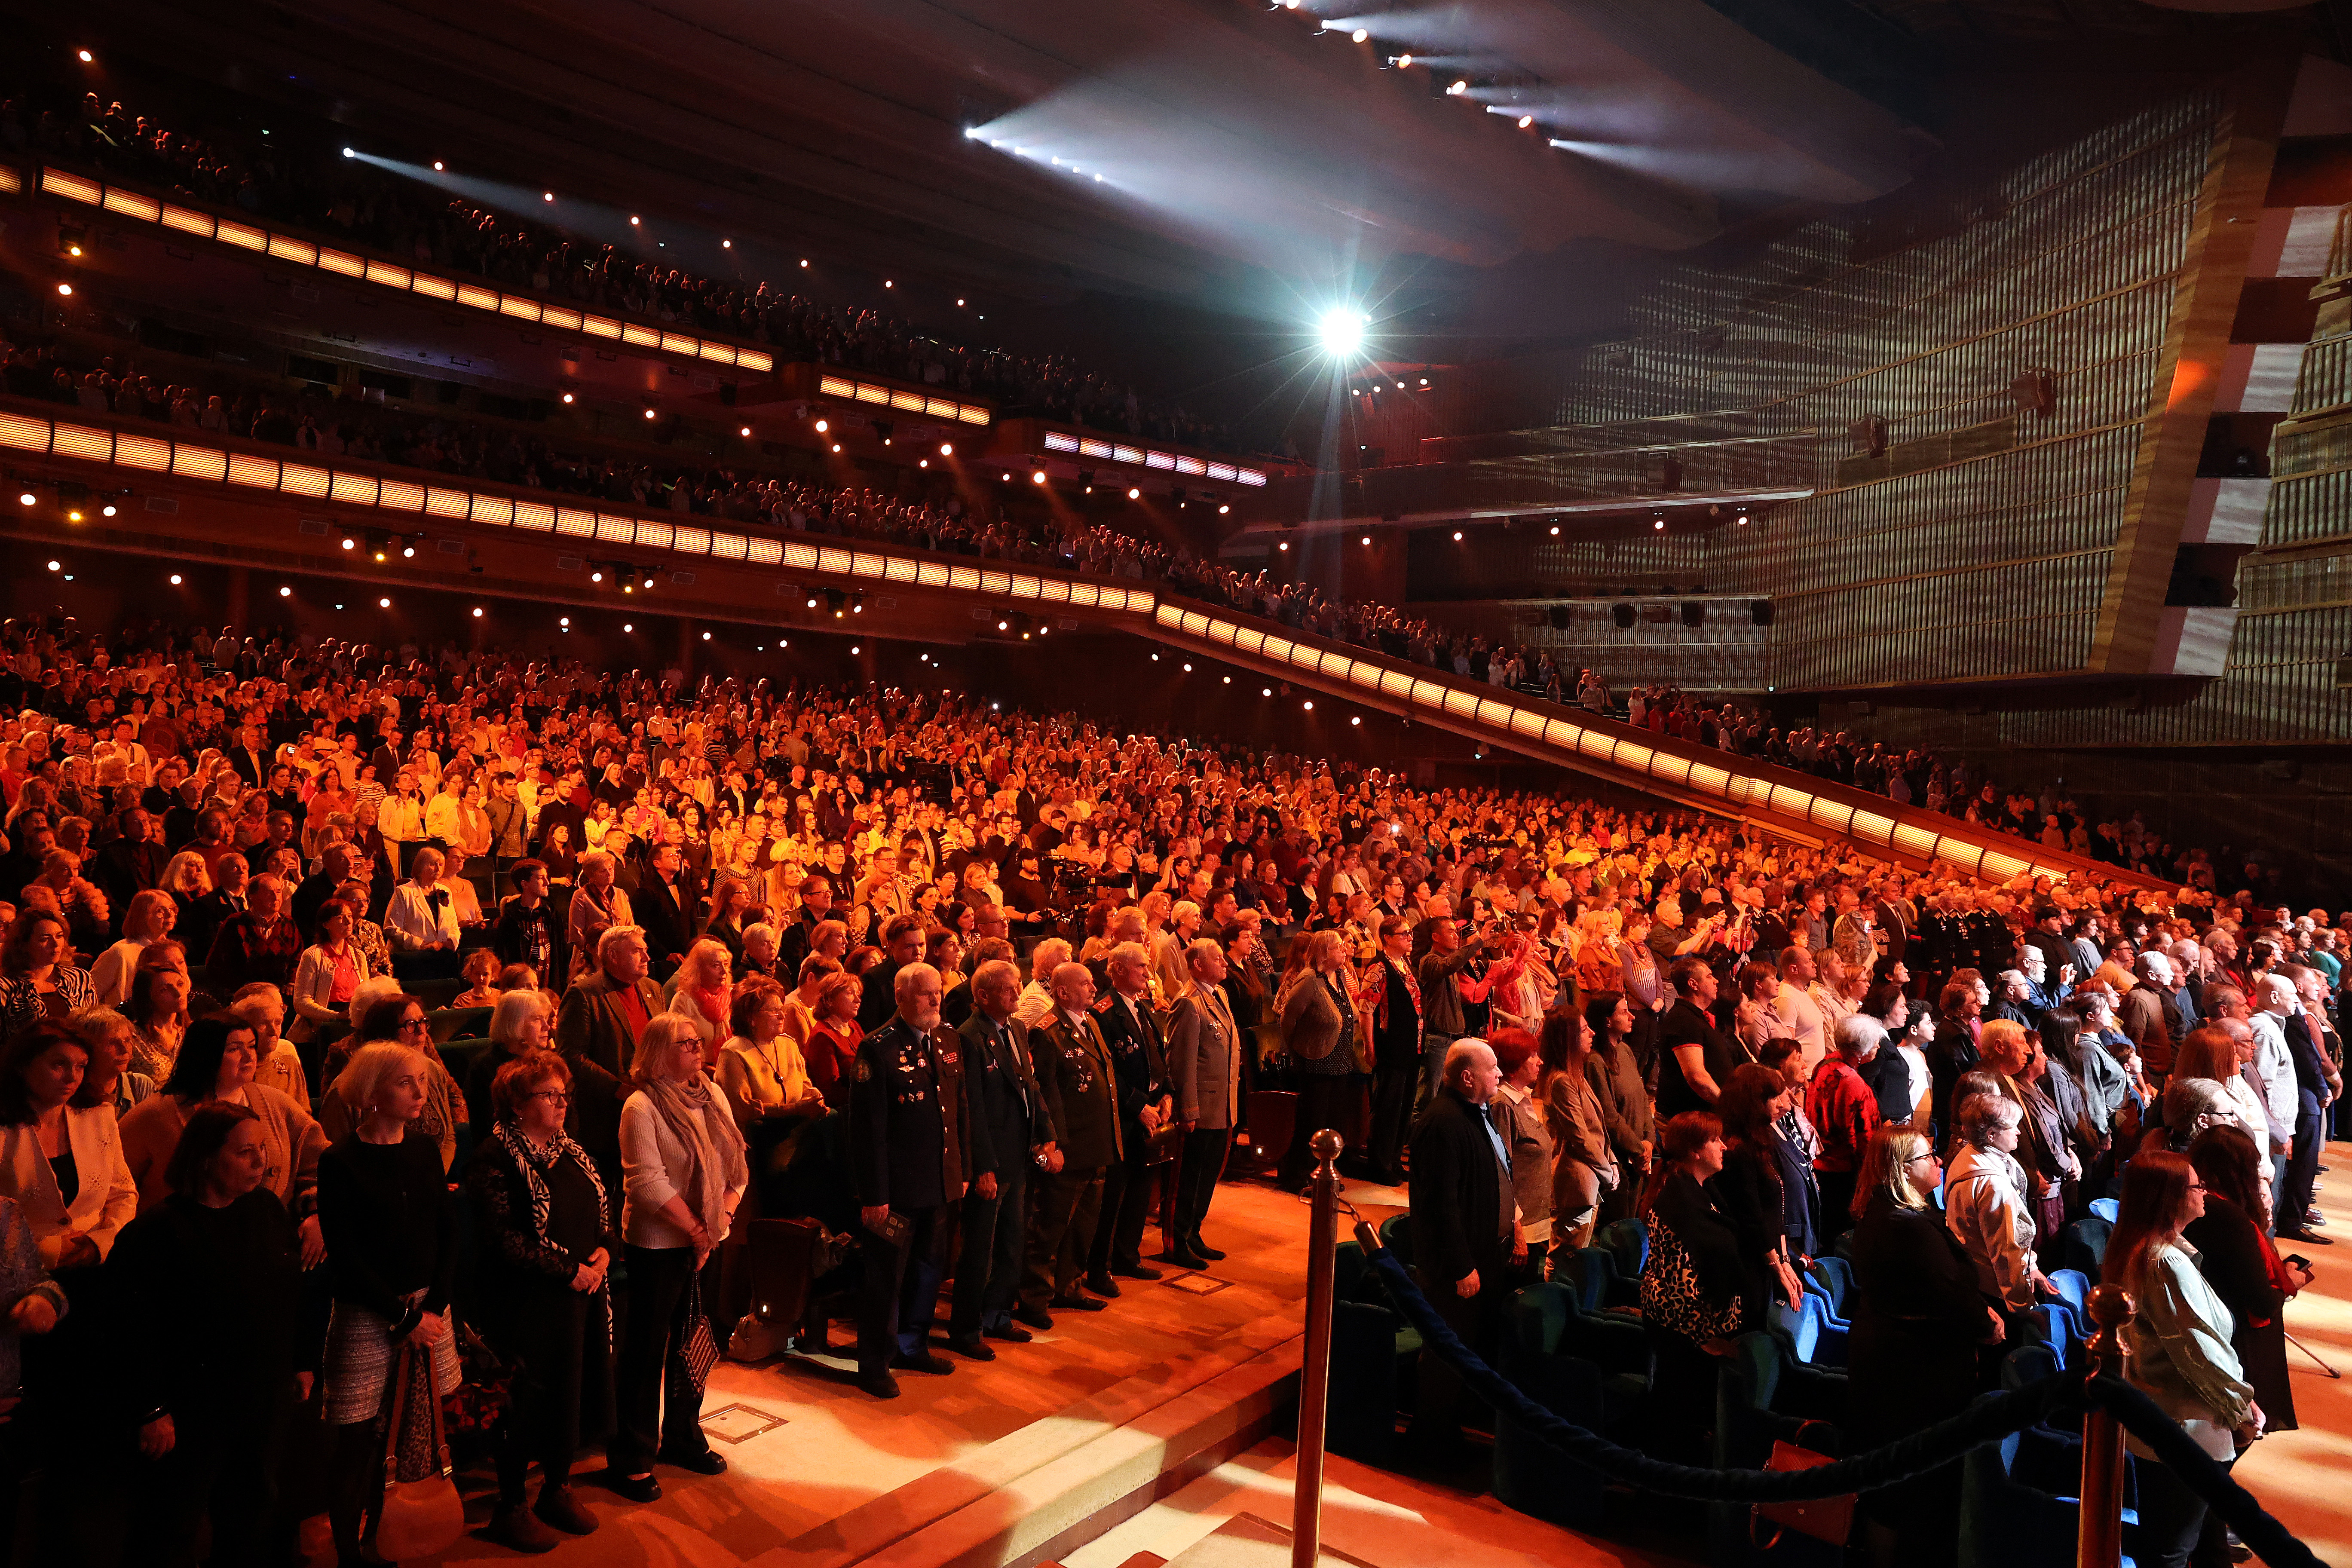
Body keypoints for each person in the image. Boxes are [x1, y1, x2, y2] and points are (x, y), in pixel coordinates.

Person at [108, 1101, 318, 1568]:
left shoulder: (264, 1209)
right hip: (191, 1409)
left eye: (263, 1149)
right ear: (206, 1157)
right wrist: (152, 1409)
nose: (261, 1162)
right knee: (170, 1526)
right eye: (246, 1152)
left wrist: (300, 1361)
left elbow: (289, 1294)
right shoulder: (157, 1233)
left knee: (249, 1516)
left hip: (260, 1399)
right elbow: (132, 1331)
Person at [315, 1042, 460, 1568]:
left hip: (427, 1308)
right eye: (405, 1083)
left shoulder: (423, 1150)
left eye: (421, 1082)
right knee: (357, 1442)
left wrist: (434, 1307)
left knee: (409, 1431)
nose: (420, 1093)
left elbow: (447, 1232)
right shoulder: (340, 1161)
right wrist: (402, 1318)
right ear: (372, 1092)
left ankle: (387, 1534)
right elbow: (346, 1256)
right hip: (367, 1313)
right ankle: (350, 1552)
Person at [464, 1050, 614, 1550]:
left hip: (578, 1297)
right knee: (526, 1401)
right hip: (524, 1304)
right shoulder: (495, 1156)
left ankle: (557, 1487)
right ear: (516, 1104)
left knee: (572, 1392)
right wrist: (569, 1270)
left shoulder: (571, 1150)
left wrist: (603, 1254)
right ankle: (511, 1506)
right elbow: (502, 1238)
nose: (561, 1103)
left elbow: (600, 1207)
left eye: (562, 1095)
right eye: (548, 1095)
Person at [1845, 1126, 1998, 1568]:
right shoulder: (1905, 1225)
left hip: (1895, 1357)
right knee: (1908, 1477)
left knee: (1896, 1474)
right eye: (1929, 1156)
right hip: (1911, 1370)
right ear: (1903, 1170)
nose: (1938, 1162)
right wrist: (1982, 1322)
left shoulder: (1890, 1213)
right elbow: (1948, 1289)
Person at [609, 1013, 745, 1498]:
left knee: (695, 1346)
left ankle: (684, 1436)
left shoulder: (712, 1093)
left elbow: (736, 1166)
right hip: (659, 1244)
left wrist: (720, 1221)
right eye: (686, 1044)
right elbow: (646, 1183)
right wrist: (695, 1230)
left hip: (709, 1240)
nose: (698, 1050)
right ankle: (634, 1454)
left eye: (698, 1042)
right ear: (657, 1052)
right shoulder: (641, 1106)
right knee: (647, 1352)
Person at [2106, 1150, 2262, 1568]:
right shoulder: (2166, 1262)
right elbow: (2200, 1353)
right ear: (2171, 1197)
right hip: (2185, 1425)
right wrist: (2240, 1404)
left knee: (2197, 1539)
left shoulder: (2147, 1248)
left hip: (2165, 1421)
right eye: (2197, 1186)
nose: (2205, 1192)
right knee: (2171, 1551)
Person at [848, 961, 968, 1396]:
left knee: (929, 1268)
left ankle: (912, 1346)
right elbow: (868, 1131)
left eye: (938, 991)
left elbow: (958, 1114)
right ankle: (874, 1362)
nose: (935, 1000)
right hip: (896, 1189)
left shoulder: (948, 1038)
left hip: (938, 1180)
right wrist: (874, 1194)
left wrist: (963, 1171)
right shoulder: (877, 1048)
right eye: (924, 993)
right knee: (885, 1277)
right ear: (901, 997)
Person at [119, 1014, 325, 1255]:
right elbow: (117, 1185)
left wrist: (316, 1212)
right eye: (234, 1049)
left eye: (251, 1046)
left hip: (263, 1246)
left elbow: (318, 1162)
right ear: (206, 1055)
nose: (249, 1057)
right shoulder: (155, 1115)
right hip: (181, 1251)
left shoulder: (276, 1104)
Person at [1405, 1038, 1510, 1459]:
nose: (1500, 1073)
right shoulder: (1443, 1123)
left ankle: (1449, 1434)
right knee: (1446, 1358)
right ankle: (1429, 1445)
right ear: (1467, 1077)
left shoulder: (1472, 1114)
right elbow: (1440, 1204)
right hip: (1455, 1270)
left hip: (1482, 1259)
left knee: (1464, 1354)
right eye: (1492, 1068)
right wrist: (1462, 1265)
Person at [950, 959, 1055, 1358]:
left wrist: (1046, 1136)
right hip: (992, 1160)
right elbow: (971, 1108)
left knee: (1012, 1242)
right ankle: (967, 1327)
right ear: (982, 996)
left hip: (1020, 1154)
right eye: (1007, 989)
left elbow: (1030, 1086)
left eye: (1017, 986)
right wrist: (983, 1167)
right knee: (981, 1247)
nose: (1016, 994)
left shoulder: (1016, 1028)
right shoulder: (969, 1037)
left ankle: (997, 1314)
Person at [1635, 1111, 1744, 1461]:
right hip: (1681, 1331)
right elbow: (1682, 1282)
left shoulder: (1701, 1189)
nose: (1724, 1147)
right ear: (1695, 1152)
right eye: (1715, 1140)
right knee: (1677, 1418)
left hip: (1691, 1328)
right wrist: (1706, 1338)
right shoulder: (1680, 1202)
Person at [1021, 961, 1121, 1330]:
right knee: (1050, 1227)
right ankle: (1034, 1298)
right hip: (1068, 1148)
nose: (1094, 989)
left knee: (1083, 1226)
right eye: (1086, 984)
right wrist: (1055, 1144)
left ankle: (1069, 1286)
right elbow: (1046, 1095)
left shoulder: (1090, 1022)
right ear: (1062, 992)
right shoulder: (1047, 1034)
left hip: (1096, 1144)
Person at [2184, 1124, 2301, 1434]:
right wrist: (2290, 1282)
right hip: (2236, 1339)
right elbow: (2261, 1302)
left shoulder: (2198, 1204)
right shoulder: (2230, 1219)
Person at [1088, 941, 1173, 1292]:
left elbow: (1157, 1055)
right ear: (1119, 969)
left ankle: (1128, 1255)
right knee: (1115, 1193)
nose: (1148, 973)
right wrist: (1139, 1105)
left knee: (1141, 1186)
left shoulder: (1143, 1008)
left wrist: (1167, 1091)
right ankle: (1100, 1266)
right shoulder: (1103, 1013)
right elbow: (1107, 1071)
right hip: (1125, 1115)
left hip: (1152, 1110)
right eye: (1141, 967)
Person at [554, 925, 665, 1172]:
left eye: (645, 951)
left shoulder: (653, 989)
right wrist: (617, 1089)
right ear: (613, 956)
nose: (647, 957)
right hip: (609, 1115)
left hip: (655, 1105)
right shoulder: (584, 994)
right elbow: (571, 1055)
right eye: (638, 952)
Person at [1165, 937, 1240, 1268]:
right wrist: (1187, 1109)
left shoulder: (1219, 994)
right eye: (1219, 959)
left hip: (1222, 1105)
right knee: (1189, 1177)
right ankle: (1176, 1240)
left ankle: (1194, 1232)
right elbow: (1182, 1063)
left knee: (1208, 1176)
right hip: (1200, 1108)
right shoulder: (1188, 1003)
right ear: (1198, 965)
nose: (1225, 964)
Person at [1944, 1089, 2045, 1327]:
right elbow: (2004, 1252)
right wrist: (2023, 1307)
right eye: (2013, 1127)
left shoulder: (1971, 1155)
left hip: (1979, 1282)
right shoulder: (1993, 1185)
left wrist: (2031, 1267)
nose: (2019, 1132)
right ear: (1991, 1134)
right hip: (1997, 1292)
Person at [1276, 929, 1364, 1191]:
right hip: (1315, 1062)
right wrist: (1297, 1050)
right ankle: (1298, 1174)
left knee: (1333, 1122)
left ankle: (1325, 1172)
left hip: (1340, 1061)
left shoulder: (1338, 977)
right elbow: (1287, 1020)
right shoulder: (1309, 980)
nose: (1345, 950)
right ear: (1325, 952)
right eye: (1339, 946)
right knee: (1312, 1123)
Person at [1541, 1006, 1617, 1253]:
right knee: (1567, 1256)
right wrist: (1608, 1171)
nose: (1593, 1033)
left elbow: (1598, 1128)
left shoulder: (1576, 1075)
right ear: (1568, 1038)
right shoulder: (1561, 1080)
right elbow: (1580, 1136)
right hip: (1575, 1182)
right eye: (1584, 1030)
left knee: (1579, 1255)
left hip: (1590, 1177)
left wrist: (1612, 1163)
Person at [1807, 1013, 1884, 1242]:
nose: (1879, 1046)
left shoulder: (1826, 1063)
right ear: (1860, 1052)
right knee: (1841, 1231)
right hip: (1842, 1171)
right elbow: (1863, 1138)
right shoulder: (1854, 1084)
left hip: (1819, 1161)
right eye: (1875, 1044)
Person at [1489, 1028, 1555, 1280]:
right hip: (1517, 1231)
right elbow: (1500, 1175)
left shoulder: (1522, 1100)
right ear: (1514, 1064)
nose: (1540, 1061)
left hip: (1535, 1225)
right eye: (1533, 1056)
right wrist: (1518, 1234)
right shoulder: (1503, 1107)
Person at [1583, 992, 1653, 1225]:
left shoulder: (1625, 1051)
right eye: (1625, 1012)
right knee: (1619, 1228)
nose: (1632, 1017)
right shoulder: (1595, 1061)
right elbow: (1608, 1116)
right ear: (1607, 1021)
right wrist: (1638, 1149)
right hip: (1619, 1159)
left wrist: (1649, 1142)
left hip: (1640, 1156)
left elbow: (1643, 1100)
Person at [469, 986, 555, 1137]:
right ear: (515, 1023)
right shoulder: (484, 1067)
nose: (546, 1026)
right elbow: (487, 1128)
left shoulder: (549, 1061)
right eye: (537, 1019)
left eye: (545, 1019)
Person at [0, 910, 96, 1039]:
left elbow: (95, 1028)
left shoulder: (79, 978)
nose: (56, 944)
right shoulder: (6, 987)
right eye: (45, 939)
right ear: (23, 945)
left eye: (59, 936)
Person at [1657, 956, 1733, 1117]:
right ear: (1693, 984)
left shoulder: (1696, 1016)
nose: (1717, 981)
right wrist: (1726, 1107)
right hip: (1691, 1120)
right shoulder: (1683, 1020)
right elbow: (1696, 1076)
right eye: (1709, 976)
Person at [91, 888, 176, 1008]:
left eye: (172, 909)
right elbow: (89, 995)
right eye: (160, 911)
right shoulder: (120, 953)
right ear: (143, 916)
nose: (169, 914)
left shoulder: (173, 951)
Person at [801, 970, 867, 1109]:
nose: (858, 1000)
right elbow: (831, 1092)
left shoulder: (854, 1026)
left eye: (858, 994)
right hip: (843, 1111)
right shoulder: (823, 1036)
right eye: (850, 993)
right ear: (830, 999)